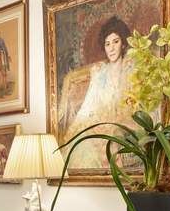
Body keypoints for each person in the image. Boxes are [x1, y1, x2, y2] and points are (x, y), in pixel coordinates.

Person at [59, 16, 140, 170]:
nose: (111, 48)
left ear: (123, 43)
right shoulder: (100, 73)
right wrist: (76, 128)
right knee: (82, 141)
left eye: (115, 42)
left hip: (128, 122)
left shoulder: (132, 69)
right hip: (102, 122)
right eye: (107, 44)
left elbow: (138, 105)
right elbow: (89, 105)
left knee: (112, 135)